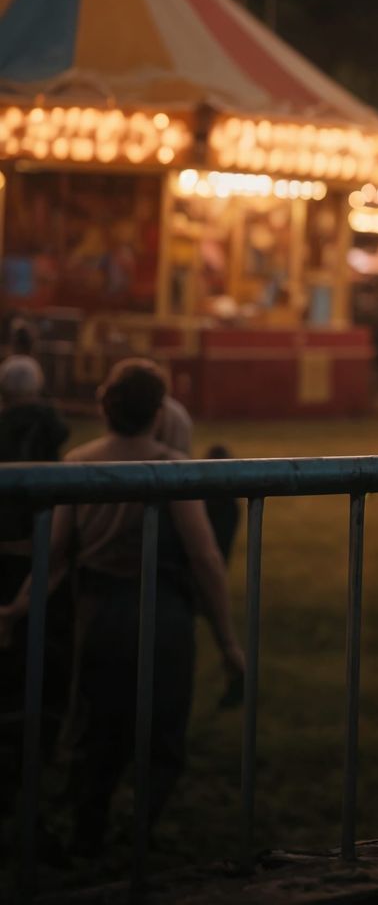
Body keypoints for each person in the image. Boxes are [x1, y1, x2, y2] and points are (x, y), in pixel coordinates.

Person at [0, 359, 243, 854]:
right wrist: (228, 643)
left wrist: (18, 607)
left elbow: (56, 557)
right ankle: (140, 832)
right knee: (162, 730)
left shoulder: (78, 464)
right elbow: (204, 556)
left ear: (106, 406)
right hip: (164, 616)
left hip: (99, 614)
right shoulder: (173, 469)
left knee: (95, 728)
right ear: (159, 411)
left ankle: (88, 831)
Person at [0, 353, 71, 826]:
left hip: (4, 554)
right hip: (43, 557)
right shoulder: (53, 427)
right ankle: (35, 758)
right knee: (41, 661)